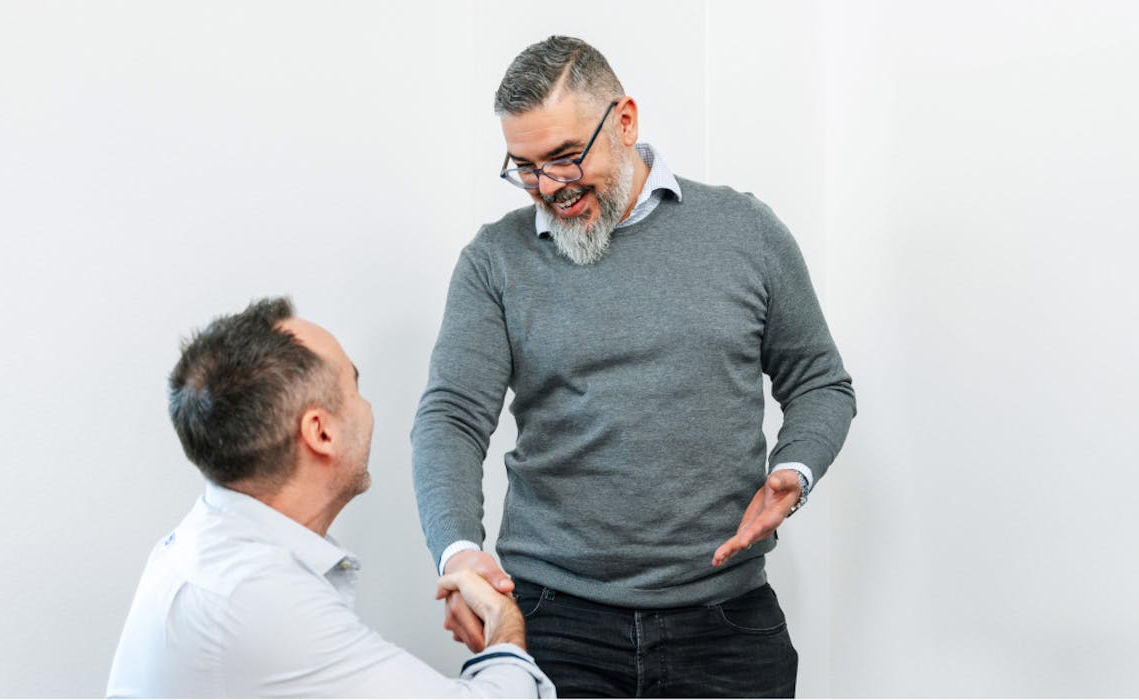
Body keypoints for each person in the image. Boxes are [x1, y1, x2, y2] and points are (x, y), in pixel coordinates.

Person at [412, 36, 856, 697]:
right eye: (526, 167)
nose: (549, 188)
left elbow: (820, 382)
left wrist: (794, 468)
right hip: (551, 619)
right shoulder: (494, 262)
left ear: (624, 121)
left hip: (727, 622)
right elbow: (451, 418)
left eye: (564, 158)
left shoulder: (746, 231)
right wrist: (458, 550)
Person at [107, 297, 554, 698]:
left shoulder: (199, 547)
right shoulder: (262, 601)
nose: (367, 407)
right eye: (354, 388)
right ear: (321, 432)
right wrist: (505, 626)